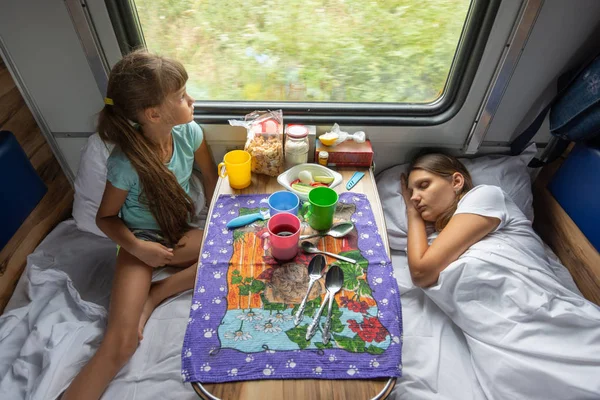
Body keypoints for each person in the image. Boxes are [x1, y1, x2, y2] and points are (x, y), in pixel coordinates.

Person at [63, 50, 217, 400]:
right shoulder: (124, 164)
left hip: (179, 232)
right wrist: (138, 249)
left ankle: (158, 292)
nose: (190, 100)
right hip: (140, 240)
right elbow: (105, 218)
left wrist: (216, 220)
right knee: (122, 342)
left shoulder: (189, 133)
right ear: (154, 113)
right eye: (181, 96)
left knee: (235, 250)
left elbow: (210, 176)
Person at [400, 152, 535, 287]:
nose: (413, 198)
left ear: (457, 182)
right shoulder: (433, 239)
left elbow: (421, 273)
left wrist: (413, 214)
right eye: (411, 193)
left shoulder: (485, 196)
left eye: (424, 185)